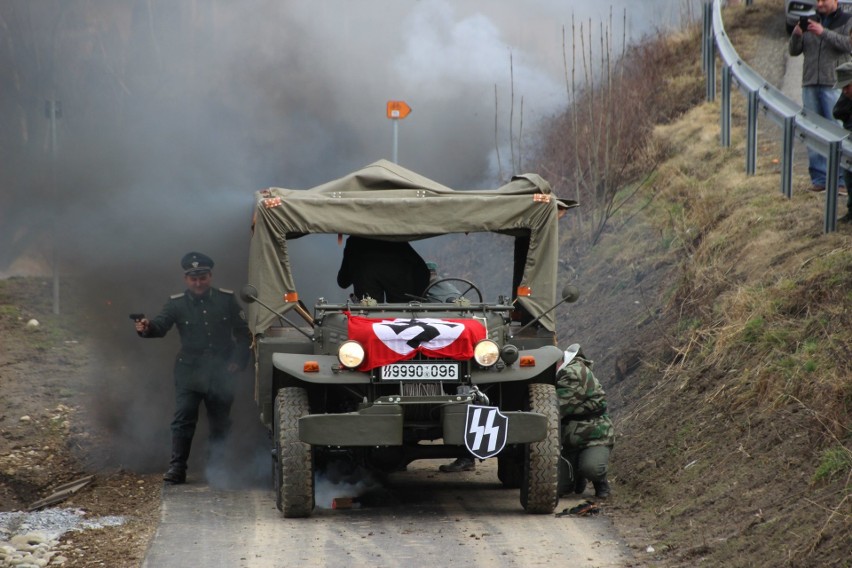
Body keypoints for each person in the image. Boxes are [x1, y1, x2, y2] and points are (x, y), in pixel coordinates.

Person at [133, 252, 251, 484]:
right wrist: (145, 328)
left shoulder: (226, 300)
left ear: (210, 276)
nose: (198, 283)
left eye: (203, 277)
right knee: (183, 418)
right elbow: (160, 325)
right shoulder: (176, 303)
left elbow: (243, 334)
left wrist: (238, 360)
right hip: (190, 370)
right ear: (186, 279)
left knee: (220, 420)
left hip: (221, 369)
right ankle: (177, 467)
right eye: (193, 278)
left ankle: (217, 466)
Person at [789, 0, 852, 193]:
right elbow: (794, 51)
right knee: (812, 131)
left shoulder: (847, 20)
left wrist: (823, 32)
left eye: (824, 0)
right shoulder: (810, 21)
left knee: (836, 130)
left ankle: (841, 180)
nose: (820, 4)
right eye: (817, 1)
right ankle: (819, 178)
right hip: (809, 83)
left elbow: (848, 45)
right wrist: (797, 34)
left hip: (833, 83)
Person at [556, 348, 614, 500]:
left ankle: (600, 482)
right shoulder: (567, 371)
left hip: (593, 436)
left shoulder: (573, 373)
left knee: (592, 469)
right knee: (559, 487)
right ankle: (576, 476)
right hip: (570, 440)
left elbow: (558, 406)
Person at [336, 235, 430, 302]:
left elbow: (343, 282)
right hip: (404, 316)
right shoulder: (396, 238)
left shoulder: (354, 242)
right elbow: (423, 271)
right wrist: (417, 299)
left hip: (368, 316)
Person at [831, 61, 852, 223]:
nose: (844, 91)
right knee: (847, 168)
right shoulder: (846, 97)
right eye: (842, 88)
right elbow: (837, 112)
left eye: (847, 87)